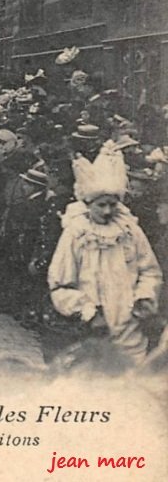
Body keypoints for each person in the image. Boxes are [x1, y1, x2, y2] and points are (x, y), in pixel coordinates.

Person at [48, 141, 162, 364]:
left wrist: (144, 298)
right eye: (101, 205)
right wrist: (87, 310)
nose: (108, 211)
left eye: (112, 204)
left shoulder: (130, 232)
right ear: (89, 203)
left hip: (129, 329)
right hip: (90, 332)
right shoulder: (76, 233)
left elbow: (150, 270)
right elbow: (60, 284)